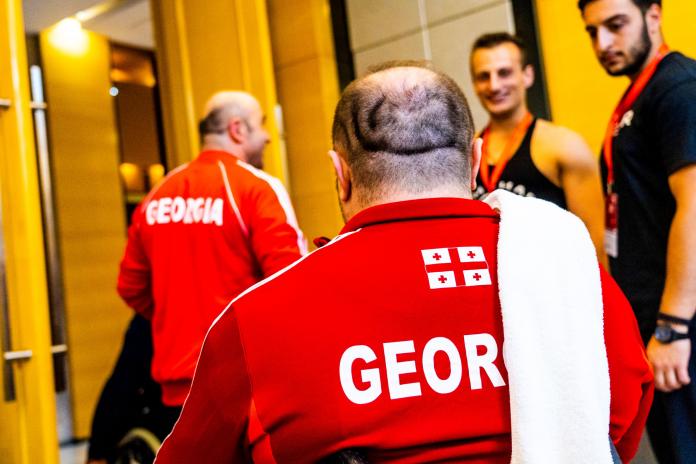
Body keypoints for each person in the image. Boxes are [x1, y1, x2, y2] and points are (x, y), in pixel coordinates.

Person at [155, 62, 652, 463]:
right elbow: (618, 421)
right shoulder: (563, 272)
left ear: (340, 173)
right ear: (476, 159)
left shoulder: (253, 321)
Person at [116, 90, 307, 439]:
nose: (266, 136)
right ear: (237, 129)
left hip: (178, 395)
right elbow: (292, 284)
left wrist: (177, 317)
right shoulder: (257, 188)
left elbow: (131, 287)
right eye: (261, 124)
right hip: (247, 387)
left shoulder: (158, 195)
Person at [579, 1, 696, 462]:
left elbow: (694, 204)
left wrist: (672, 327)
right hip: (655, 319)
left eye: (615, 25)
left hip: (679, 325)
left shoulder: (676, 89)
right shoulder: (639, 96)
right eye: (592, 32)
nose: (603, 44)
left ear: (654, 15)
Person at [470, 32, 607, 264]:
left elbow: (595, 242)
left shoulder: (563, 146)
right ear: (474, 84)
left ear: (527, 75)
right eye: (484, 76)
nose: (494, 85)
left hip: (551, 289)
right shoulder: (468, 153)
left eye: (504, 73)